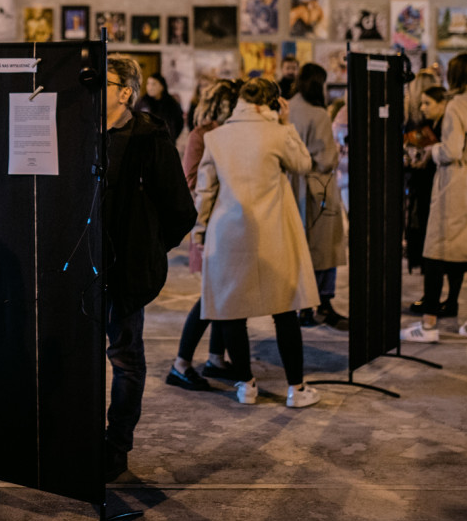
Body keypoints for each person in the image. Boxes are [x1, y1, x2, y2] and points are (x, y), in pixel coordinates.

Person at [195, 77, 322, 408]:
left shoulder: (216, 137)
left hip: (228, 233)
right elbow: (303, 165)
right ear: (274, 103)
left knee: (233, 312)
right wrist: (287, 124)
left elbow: (205, 190)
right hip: (273, 234)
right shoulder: (278, 133)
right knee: (284, 311)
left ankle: (246, 386)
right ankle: (297, 389)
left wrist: (200, 230)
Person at [103, 54, 197, 480]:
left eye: (101, 83)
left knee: (125, 359)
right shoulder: (71, 134)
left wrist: (149, 249)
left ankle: (116, 445)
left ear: (125, 92)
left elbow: (180, 210)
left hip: (125, 272)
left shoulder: (148, 138)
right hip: (76, 272)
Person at [401, 53, 467, 343]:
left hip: (458, 179)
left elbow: (451, 151)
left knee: (437, 248)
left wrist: (429, 152)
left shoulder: (457, 105)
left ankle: (429, 324)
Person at [167, 79, 239, 391]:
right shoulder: (203, 135)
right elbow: (191, 180)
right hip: (208, 226)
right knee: (212, 296)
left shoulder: (228, 134)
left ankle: (215, 359)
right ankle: (180, 365)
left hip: (226, 223)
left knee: (225, 295)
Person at [288, 63, 348, 329]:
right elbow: (326, 159)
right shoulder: (319, 114)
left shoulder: (286, 108)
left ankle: (300, 306)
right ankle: (323, 304)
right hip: (318, 188)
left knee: (297, 247)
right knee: (325, 247)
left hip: (290, 186)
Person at [405, 86, 454, 317]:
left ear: (442, 103)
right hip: (428, 191)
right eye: (422, 103)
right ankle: (435, 299)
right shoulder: (432, 126)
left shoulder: (447, 126)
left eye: (427, 103)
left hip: (442, 192)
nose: (423, 108)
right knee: (432, 247)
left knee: (441, 249)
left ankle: (444, 301)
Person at [133, 72, 184, 142]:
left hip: (166, 143)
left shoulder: (171, 103)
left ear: (162, 86)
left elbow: (179, 122)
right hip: (146, 143)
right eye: (148, 84)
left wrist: (172, 137)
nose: (150, 87)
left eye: (153, 84)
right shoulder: (142, 102)